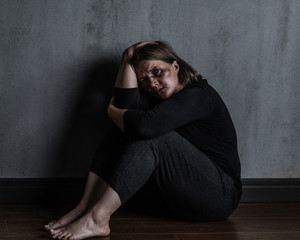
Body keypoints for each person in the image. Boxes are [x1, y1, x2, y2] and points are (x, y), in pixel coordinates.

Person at [45, 41, 242, 240]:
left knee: (151, 135)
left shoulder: (200, 94)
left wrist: (111, 111)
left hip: (220, 196)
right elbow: (126, 105)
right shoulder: (162, 101)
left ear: (175, 66)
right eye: (144, 80)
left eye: (157, 72)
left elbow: (144, 126)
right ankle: (86, 206)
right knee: (123, 129)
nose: (152, 84)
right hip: (179, 199)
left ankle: (97, 219)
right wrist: (127, 57)